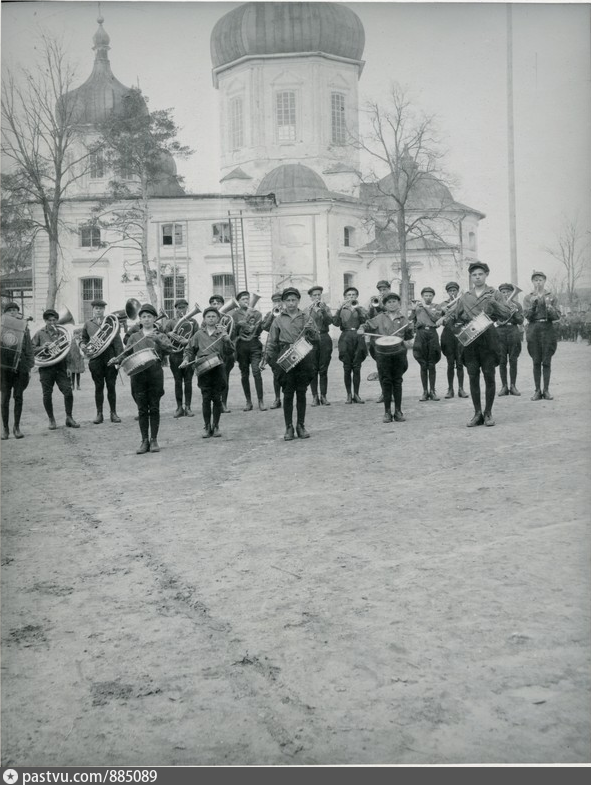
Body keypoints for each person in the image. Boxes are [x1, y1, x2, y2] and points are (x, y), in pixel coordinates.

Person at [441, 262, 511, 427]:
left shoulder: (495, 293)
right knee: (472, 376)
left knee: (489, 375)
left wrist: (493, 302)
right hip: (470, 339)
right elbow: (454, 314)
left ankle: (488, 413)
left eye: (480, 274)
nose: (477, 277)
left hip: (488, 337)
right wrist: (444, 317)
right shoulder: (465, 296)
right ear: (471, 277)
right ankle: (477, 413)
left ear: (486, 275)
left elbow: (506, 314)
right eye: (474, 275)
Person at [108, 303, 174, 453]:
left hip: (155, 373)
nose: (146, 319)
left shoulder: (160, 334)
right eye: (143, 317)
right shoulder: (134, 336)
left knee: (154, 407)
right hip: (138, 374)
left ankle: (154, 440)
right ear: (140, 319)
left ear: (155, 318)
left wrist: (157, 340)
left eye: (149, 317)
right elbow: (126, 353)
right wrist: (116, 360)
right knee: (142, 409)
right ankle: (144, 441)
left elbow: (170, 349)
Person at [261, 287, 319, 441]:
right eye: (288, 300)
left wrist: (311, 331)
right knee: (287, 392)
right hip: (285, 354)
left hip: (303, 354)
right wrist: (267, 358)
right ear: (284, 302)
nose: (291, 303)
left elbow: (316, 339)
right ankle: (289, 427)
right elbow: (271, 341)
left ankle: (300, 425)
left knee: (301, 391)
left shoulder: (306, 317)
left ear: (298, 301)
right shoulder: (278, 319)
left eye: (294, 300)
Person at [357, 292, 414, 423]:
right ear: (385, 305)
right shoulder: (379, 318)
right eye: (389, 302)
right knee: (386, 381)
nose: (392, 304)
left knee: (398, 381)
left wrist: (410, 330)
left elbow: (409, 336)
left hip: (399, 353)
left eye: (394, 301)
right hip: (383, 354)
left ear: (399, 304)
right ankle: (387, 412)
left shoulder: (404, 319)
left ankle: (398, 411)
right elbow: (365, 325)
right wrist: (361, 329)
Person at [180, 306, 233, 438]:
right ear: (204, 319)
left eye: (213, 316)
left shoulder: (222, 334)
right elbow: (189, 349)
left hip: (218, 368)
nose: (211, 319)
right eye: (208, 316)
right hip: (203, 369)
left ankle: (215, 426)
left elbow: (229, 352)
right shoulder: (198, 334)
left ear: (218, 319)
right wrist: (186, 359)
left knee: (217, 398)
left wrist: (227, 340)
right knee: (205, 398)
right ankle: (206, 426)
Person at [31, 309, 80, 430]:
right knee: (47, 394)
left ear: (57, 320)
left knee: (68, 392)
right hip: (46, 368)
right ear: (45, 321)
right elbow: (31, 349)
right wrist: (43, 347)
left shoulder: (62, 333)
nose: (52, 322)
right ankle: (51, 419)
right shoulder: (39, 333)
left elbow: (67, 349)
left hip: (61, 367)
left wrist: (69, 366)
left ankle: (69, 417)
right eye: (49, 320)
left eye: (54, 320)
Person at [79, 299, 123, 424]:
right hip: (95, 359)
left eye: (101, 308)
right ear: (93, 310)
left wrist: (119, 358)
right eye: (96, 308)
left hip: (110, 357)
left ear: (104, 310)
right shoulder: (88, 324)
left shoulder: (110, 322)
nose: (98, 310)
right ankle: (99, 414)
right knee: (98, 387)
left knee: (111, 386)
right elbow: (83, 339)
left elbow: (117, 342)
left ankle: (113, 413)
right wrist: (82, 345)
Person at [523, 271, 561, 400]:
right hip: (534, 328)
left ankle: (546, 390)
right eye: (535, 280)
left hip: (548, 328)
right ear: (532, 282)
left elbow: (557, 316)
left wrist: (549, 306)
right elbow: (527, 316)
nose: (538, 282)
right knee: (536, 361)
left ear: (545, 281)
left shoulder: (552, 296)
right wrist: (533, 305)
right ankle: (537, 390)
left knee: (547, 361)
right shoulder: (528, 298)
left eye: (540, 280)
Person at [1, 302, 34, 439]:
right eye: (10, 311)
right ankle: (5, 429)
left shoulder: (24, 328)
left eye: (15, 310)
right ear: (5, 313)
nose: (13, 313)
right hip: (3, 368)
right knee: (4, 399)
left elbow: (29, 348)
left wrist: (29, 366)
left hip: (20, 367)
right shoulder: (1, 327)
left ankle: (17, 427)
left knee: (18, 397)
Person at [162, 298, 197, 418]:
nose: (181, 310)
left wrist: (188, 341)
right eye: (179, 308)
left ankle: (188, 407)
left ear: (187, 308)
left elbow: (197, 338)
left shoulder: (193, 322)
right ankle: (179, 407)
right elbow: (164, 337)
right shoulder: (171, 322)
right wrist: (169, 334)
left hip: (189, 355)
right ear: (175, 309)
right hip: (175, 355)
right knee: (177, 382)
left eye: (183, 307)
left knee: (188, 382)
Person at [333, 286, 368, 403]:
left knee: (357, 367)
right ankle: (348, 394)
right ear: (345, 297)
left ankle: (356, 394)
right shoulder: (342, 309)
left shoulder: (361, 308)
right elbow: (336, 323)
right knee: (347, 367)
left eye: (353, 295)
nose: (351, 297)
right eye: (349, 295)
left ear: (357, 297)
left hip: (358, 337)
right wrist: (338, 309)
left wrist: (357, 309)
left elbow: (365, 321)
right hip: (346, 337)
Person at [233, 290, 267, 411]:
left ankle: (261, 401)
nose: (246, 301)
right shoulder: (235, 314)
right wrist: (238, 325)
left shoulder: (257, 313)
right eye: (243, 299)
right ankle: (248, 402)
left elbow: (259, 331)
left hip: (254, 344)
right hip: (241, 346)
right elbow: (232, 332)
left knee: (256, 371)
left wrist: (254, 328)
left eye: (247, 299)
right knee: (244, 374)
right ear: (238, 302)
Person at [438, 282, 469, 399]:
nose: (452, 293)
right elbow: (439, 320)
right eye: (450, 291)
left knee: (460, 363)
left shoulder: (463, 302)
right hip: (448, 334)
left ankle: (461, 389)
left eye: (454, 291)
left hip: (460, 333)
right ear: (447, 292)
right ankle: (450, 389)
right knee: (450, 363)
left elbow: (467, 317)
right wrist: (443, 311)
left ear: (457, 291)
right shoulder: (443, 304)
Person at [412, 287, 443, 401]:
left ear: (433, 296)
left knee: (432, 363)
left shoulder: (436, 307)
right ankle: (425, 391)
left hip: (432, 333)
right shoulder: (417, 308)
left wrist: (425, 307)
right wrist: (413, 310)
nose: (428, 297)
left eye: (430, 295)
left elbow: (435, 319)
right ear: (422, 296)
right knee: (423, 364)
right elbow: (411, 321)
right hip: (421, 334)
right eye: (426, 295)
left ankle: (433, 391)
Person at [208, 294, 236, 413]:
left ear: (222, 305)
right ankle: (216, 403)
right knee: (213, 380)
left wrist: (224, 333)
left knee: (225, 380)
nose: (215, 305)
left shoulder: (228, 319)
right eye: (213, 304)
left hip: (225, 354)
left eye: (218, 303)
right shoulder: (207, 319)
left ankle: (223, 403)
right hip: (212, 353)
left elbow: (232, 335)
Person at [306, 285, 333, 406]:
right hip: (311, 339)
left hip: (324, 337)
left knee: (323, 368)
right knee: (312, 369)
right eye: (314, 295)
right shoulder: (307, 309)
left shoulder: (326, 308)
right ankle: (314, 397)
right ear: (311, 297)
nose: (317, 297)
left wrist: (323, 311)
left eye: (319, 295)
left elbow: (329, 322)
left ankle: (324, 396)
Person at [495, 283, 524, 396]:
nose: (506, 294)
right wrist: (497, 322)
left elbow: (520, 321)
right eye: (503, 292)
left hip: (513, 331)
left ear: (511, 293)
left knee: (513, 360)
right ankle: (504, 386)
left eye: (508, 292)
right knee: (502, 361)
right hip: (500, 332)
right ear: (500, 294)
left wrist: (515, 310)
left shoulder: (517, 304)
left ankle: (513, 386)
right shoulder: (496, 304)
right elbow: (492, 318)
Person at [366, 280, 392, 398]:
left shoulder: (393, 300)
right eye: (380, 290)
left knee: (391, 367)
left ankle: (391, 392)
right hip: (376, 337)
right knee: (380, 366)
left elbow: (391, 314)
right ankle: (384, 393)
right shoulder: (374, 300)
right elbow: (369, 318)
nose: (382, 292)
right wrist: (372, 307)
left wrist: (382, 305)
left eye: (384, 289)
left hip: (388, 336)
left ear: (389, 289)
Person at [260, 292, 284, 409]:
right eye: (275, 301)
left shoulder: (287, 314)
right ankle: (277, 399)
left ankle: (287, 397)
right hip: (274, 348)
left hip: (285, 346)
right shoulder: (271, 314)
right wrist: (272, 316)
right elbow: (264, 327)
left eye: (280, 301)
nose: (278, 303)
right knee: (276, 374)